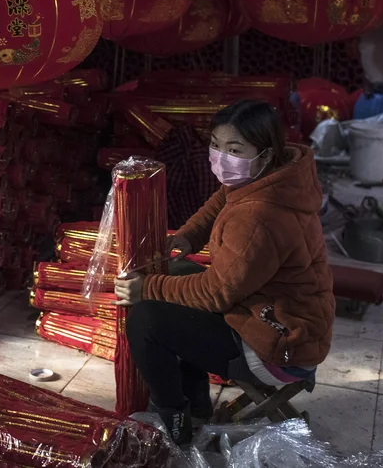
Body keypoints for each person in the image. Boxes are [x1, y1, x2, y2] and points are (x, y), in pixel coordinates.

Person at [114, 99, 335, 444]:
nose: (221, 157)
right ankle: (198, 404)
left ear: (265, 152)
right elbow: (221, 200)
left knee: (146, 318)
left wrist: (147, 288)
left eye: (234, 149)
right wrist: (188, 236)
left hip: (280, 344)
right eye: (215, 145)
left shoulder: (260, 216)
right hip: (284, 319)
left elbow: (217, 294)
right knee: (179, 273)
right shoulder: (276, 176)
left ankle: (172, 421)